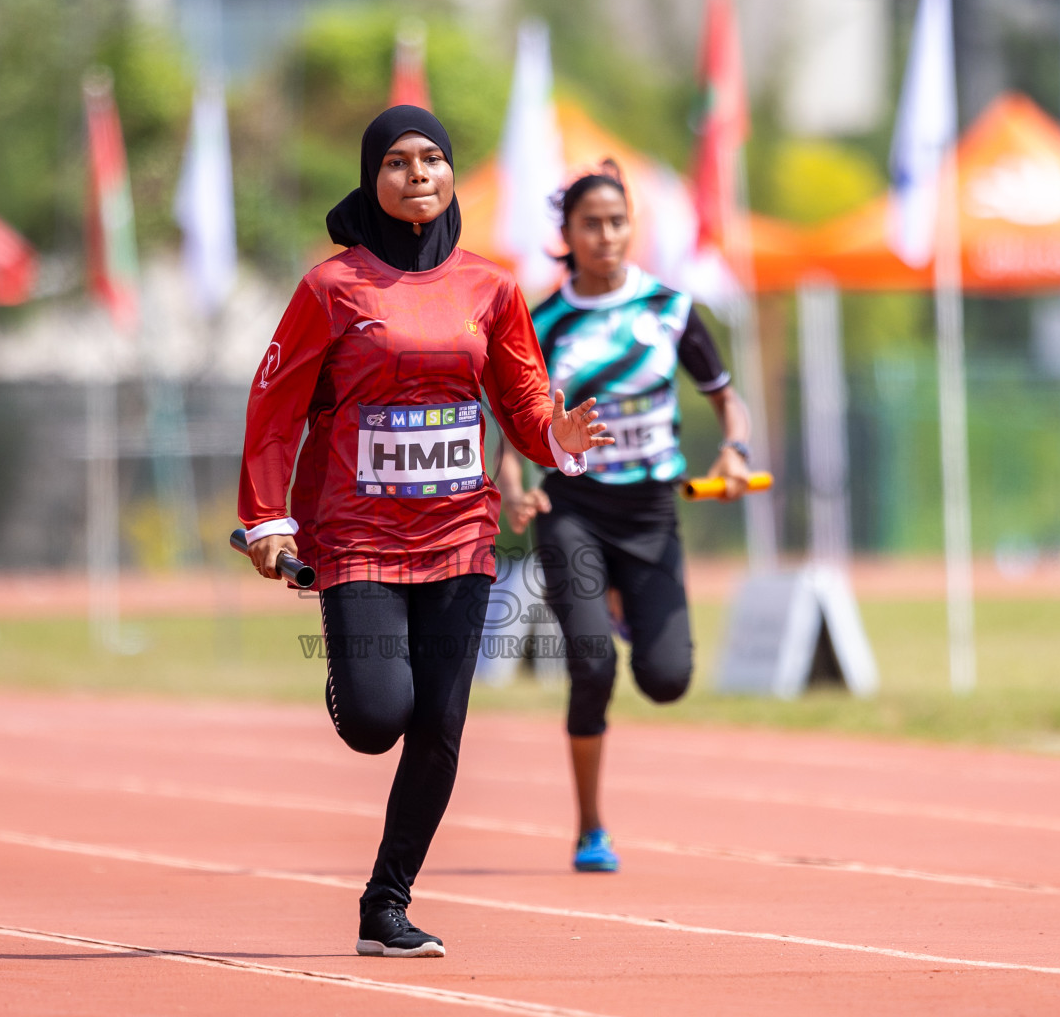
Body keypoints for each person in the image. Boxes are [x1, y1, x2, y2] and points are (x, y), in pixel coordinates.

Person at [238, 106, 612, 958]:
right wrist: (266, 516)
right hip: (359, 534)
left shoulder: (492, 287)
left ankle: (386, 904)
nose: (419, 175)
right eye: (400, 162)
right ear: (373, 178)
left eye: (434, 160)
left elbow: (523, 405)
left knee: (441, 724)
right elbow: (275, 407)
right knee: (378, 719)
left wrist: (559, 438)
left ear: (450, 177)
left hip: (459, 536)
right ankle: (350, 682)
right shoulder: (331, 288)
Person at [494, 162, 754, 873]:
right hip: (572, 510)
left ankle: (625, 602)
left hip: (651, 513)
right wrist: (514, 486)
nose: (607, 236)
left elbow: (728, 401)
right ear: (567, 235)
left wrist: (734, 450)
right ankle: (590, 827)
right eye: (591, 224)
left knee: (667, 680)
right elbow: (511, 425)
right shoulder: (542, 321)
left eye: (617, 222)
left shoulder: (671, 309)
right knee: (592, 665)